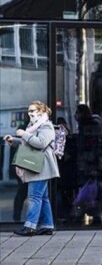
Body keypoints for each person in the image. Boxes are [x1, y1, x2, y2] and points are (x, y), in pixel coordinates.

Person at [5, 101, 59, 236]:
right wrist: (14, 140)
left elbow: (40, 143)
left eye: (33, 110)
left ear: (41, 111)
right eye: (29, 110)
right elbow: (29, 143)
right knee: (43, 197)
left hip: (41, 166)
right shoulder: (33, 126)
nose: (30, 113)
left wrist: (23, 134)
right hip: (37, 166)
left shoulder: (46, 126)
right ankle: (47, 225)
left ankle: (30, 226)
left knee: (34, 197)